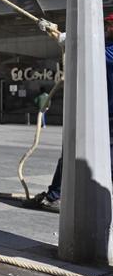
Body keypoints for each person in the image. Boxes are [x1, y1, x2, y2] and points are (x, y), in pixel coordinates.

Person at [31, 14, 113, 211]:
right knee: (72, 153)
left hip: (103, 115)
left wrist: (68, 38)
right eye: (107, 24)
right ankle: (56, 196)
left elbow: (92, 52)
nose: (107, 28)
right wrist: (58, 33)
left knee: (74, 153)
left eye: (110, 25)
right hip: (97, 113)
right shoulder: (104, 45)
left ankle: (57, 197)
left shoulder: (106, 50)